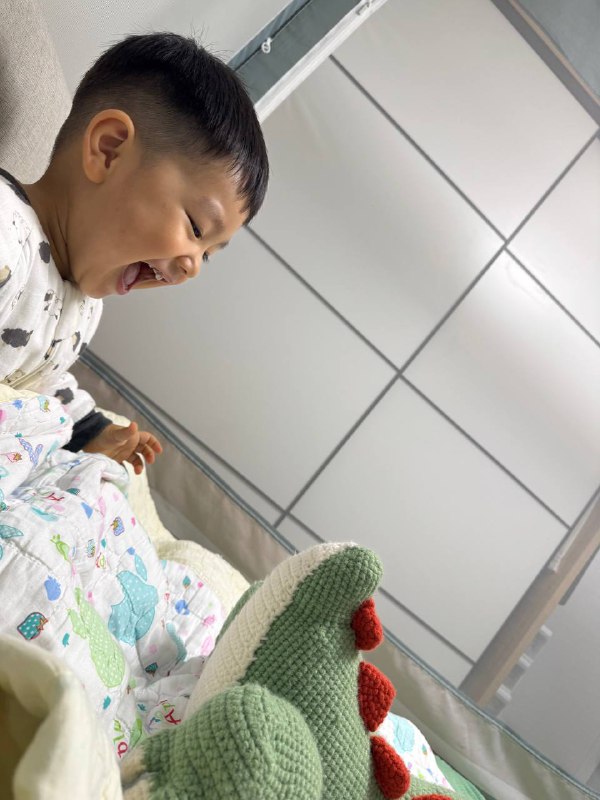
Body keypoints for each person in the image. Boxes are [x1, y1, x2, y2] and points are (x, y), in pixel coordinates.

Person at [0, 32, 269, 474]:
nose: (193, 267)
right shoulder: (8, 232)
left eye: (207, 254)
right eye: (196, 228)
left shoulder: (83, 308)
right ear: (109, 151)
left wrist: (90, 431)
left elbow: (44, 378)